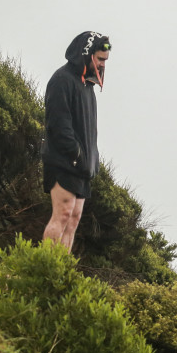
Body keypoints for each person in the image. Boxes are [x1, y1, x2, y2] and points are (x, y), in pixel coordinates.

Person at [41, 31, 112, 251]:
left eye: (105, 60)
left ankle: (59, 274)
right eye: (99, 59)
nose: (102, 65)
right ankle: (45, 269)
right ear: (87, 53)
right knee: (62, 214)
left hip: (82, 166)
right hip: (63, 161)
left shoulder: (88, 86)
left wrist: (93, 159)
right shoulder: (62, 80)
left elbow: (90, 130)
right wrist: (77, 154)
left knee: (73, 219)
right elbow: (59, 125)